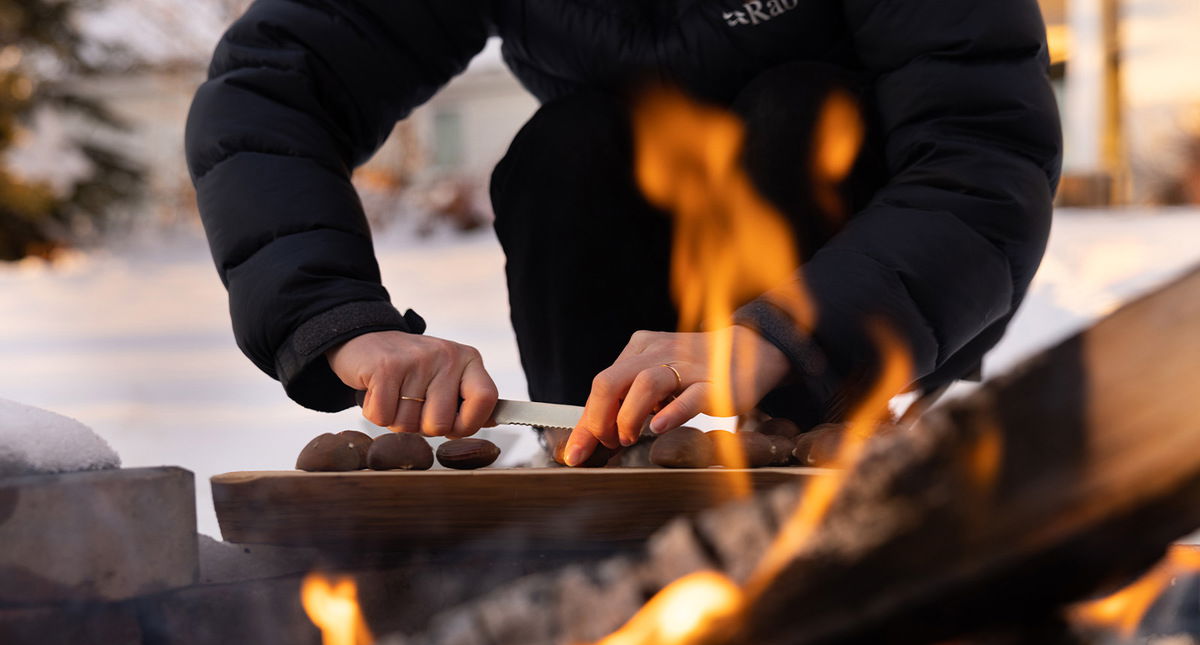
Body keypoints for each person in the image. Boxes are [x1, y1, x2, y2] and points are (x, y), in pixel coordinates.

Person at [185, 0, 1061, 466]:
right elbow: (272, 92)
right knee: (567, 146)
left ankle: (805, 474)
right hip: (620, 304)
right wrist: (339, 320)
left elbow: (982, 159)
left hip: (852, 307)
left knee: (801, 107)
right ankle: (600, 487)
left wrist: (787, 334)